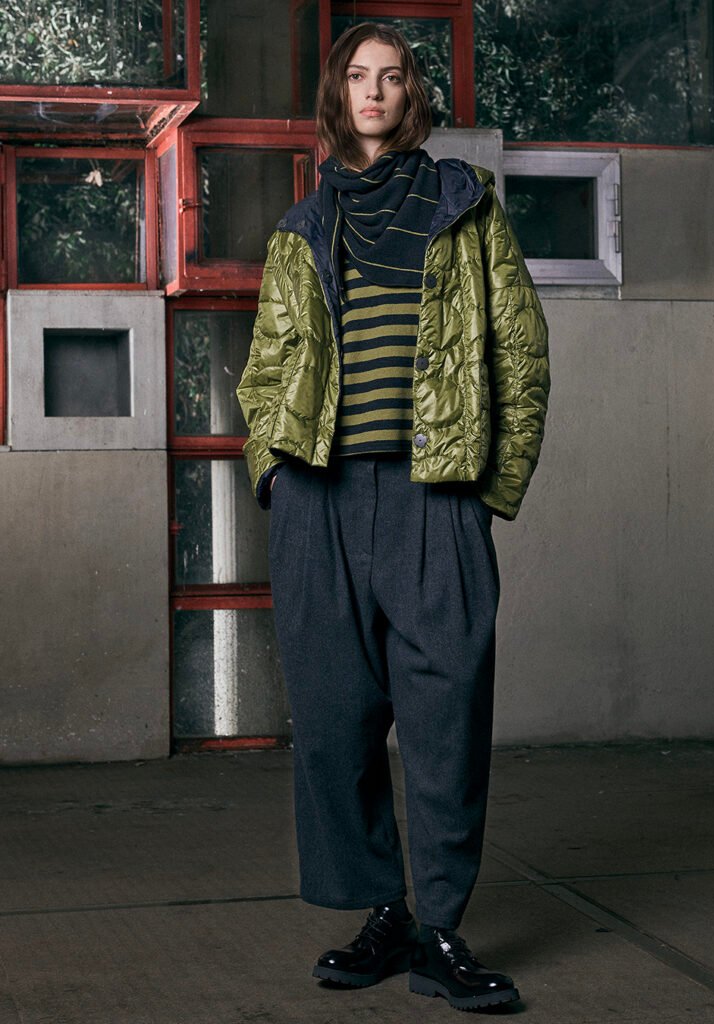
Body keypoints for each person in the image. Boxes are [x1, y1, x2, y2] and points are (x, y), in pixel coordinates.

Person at [236, 21, 550, 1012]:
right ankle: (384, 913)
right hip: (320, 498)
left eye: (393, 76)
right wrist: (275, 477)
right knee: (334, 725)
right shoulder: (300, 229)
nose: (373, 92)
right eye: (358, 77)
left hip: (433, 497)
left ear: (414, 94)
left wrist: (487, 490)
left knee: (445, 721)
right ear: (339, 96)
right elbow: (265, 371)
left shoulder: (465, 206)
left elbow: (521, 351)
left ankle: (442, 931)